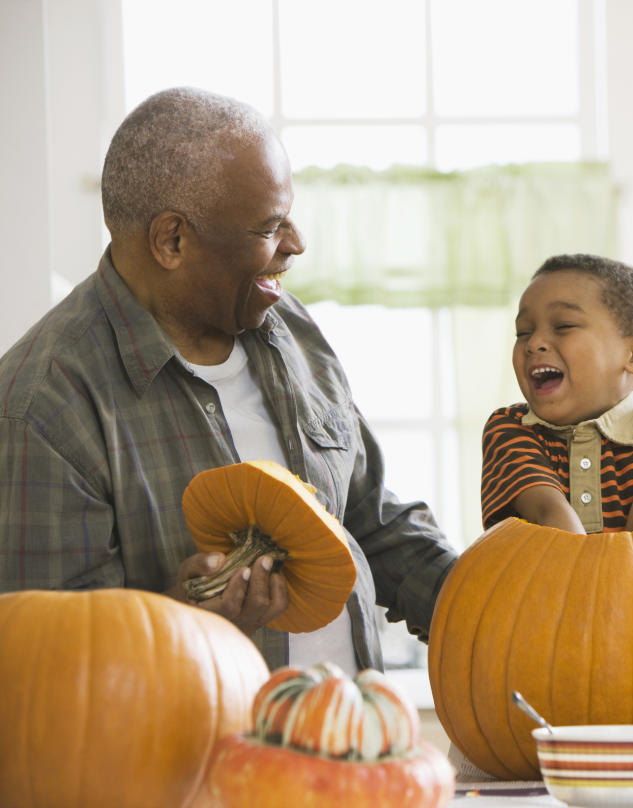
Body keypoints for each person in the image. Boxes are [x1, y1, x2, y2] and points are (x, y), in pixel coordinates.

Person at [0, 87, 458, 672]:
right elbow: (45, 667)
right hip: (200, 762)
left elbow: (369, 519)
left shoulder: (289, 327)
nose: (295, 245)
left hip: (352, 747)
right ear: (172, 241)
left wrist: (491, 599)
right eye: (269, 227)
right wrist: (187, 621)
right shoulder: (45, 403)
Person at [481, 253, 633, 534]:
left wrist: (616, 576)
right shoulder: (510, 428)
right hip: (554, 576)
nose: (533, 343)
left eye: (564, 326)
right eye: (523, 332)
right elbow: (550, 517)